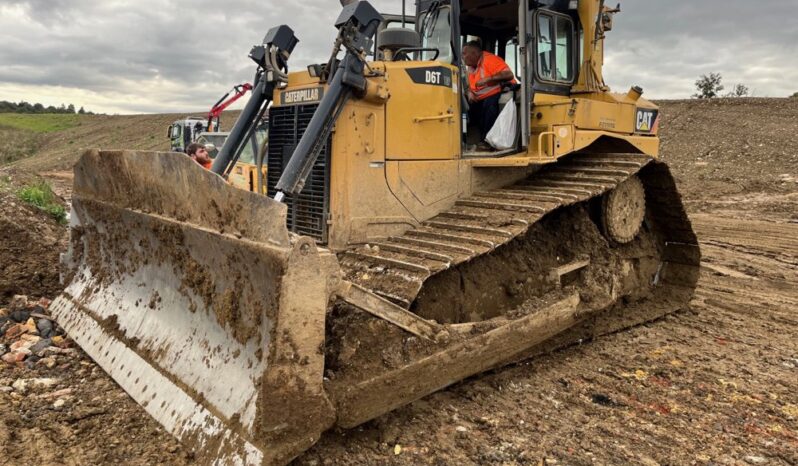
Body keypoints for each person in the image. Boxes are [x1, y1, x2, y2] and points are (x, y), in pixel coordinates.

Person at [462, 40, 516, 148]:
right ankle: (466, 140)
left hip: (499, 91)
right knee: (465, 107)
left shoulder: (490, 60)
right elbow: (469, 84)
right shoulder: (470, 66)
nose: (462, 57)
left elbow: (509, 74)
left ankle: (488, 141)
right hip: (479, 97)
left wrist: (488, 79)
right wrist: (469, 92)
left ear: (474, 54)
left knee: (489, 105)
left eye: (464, 53)